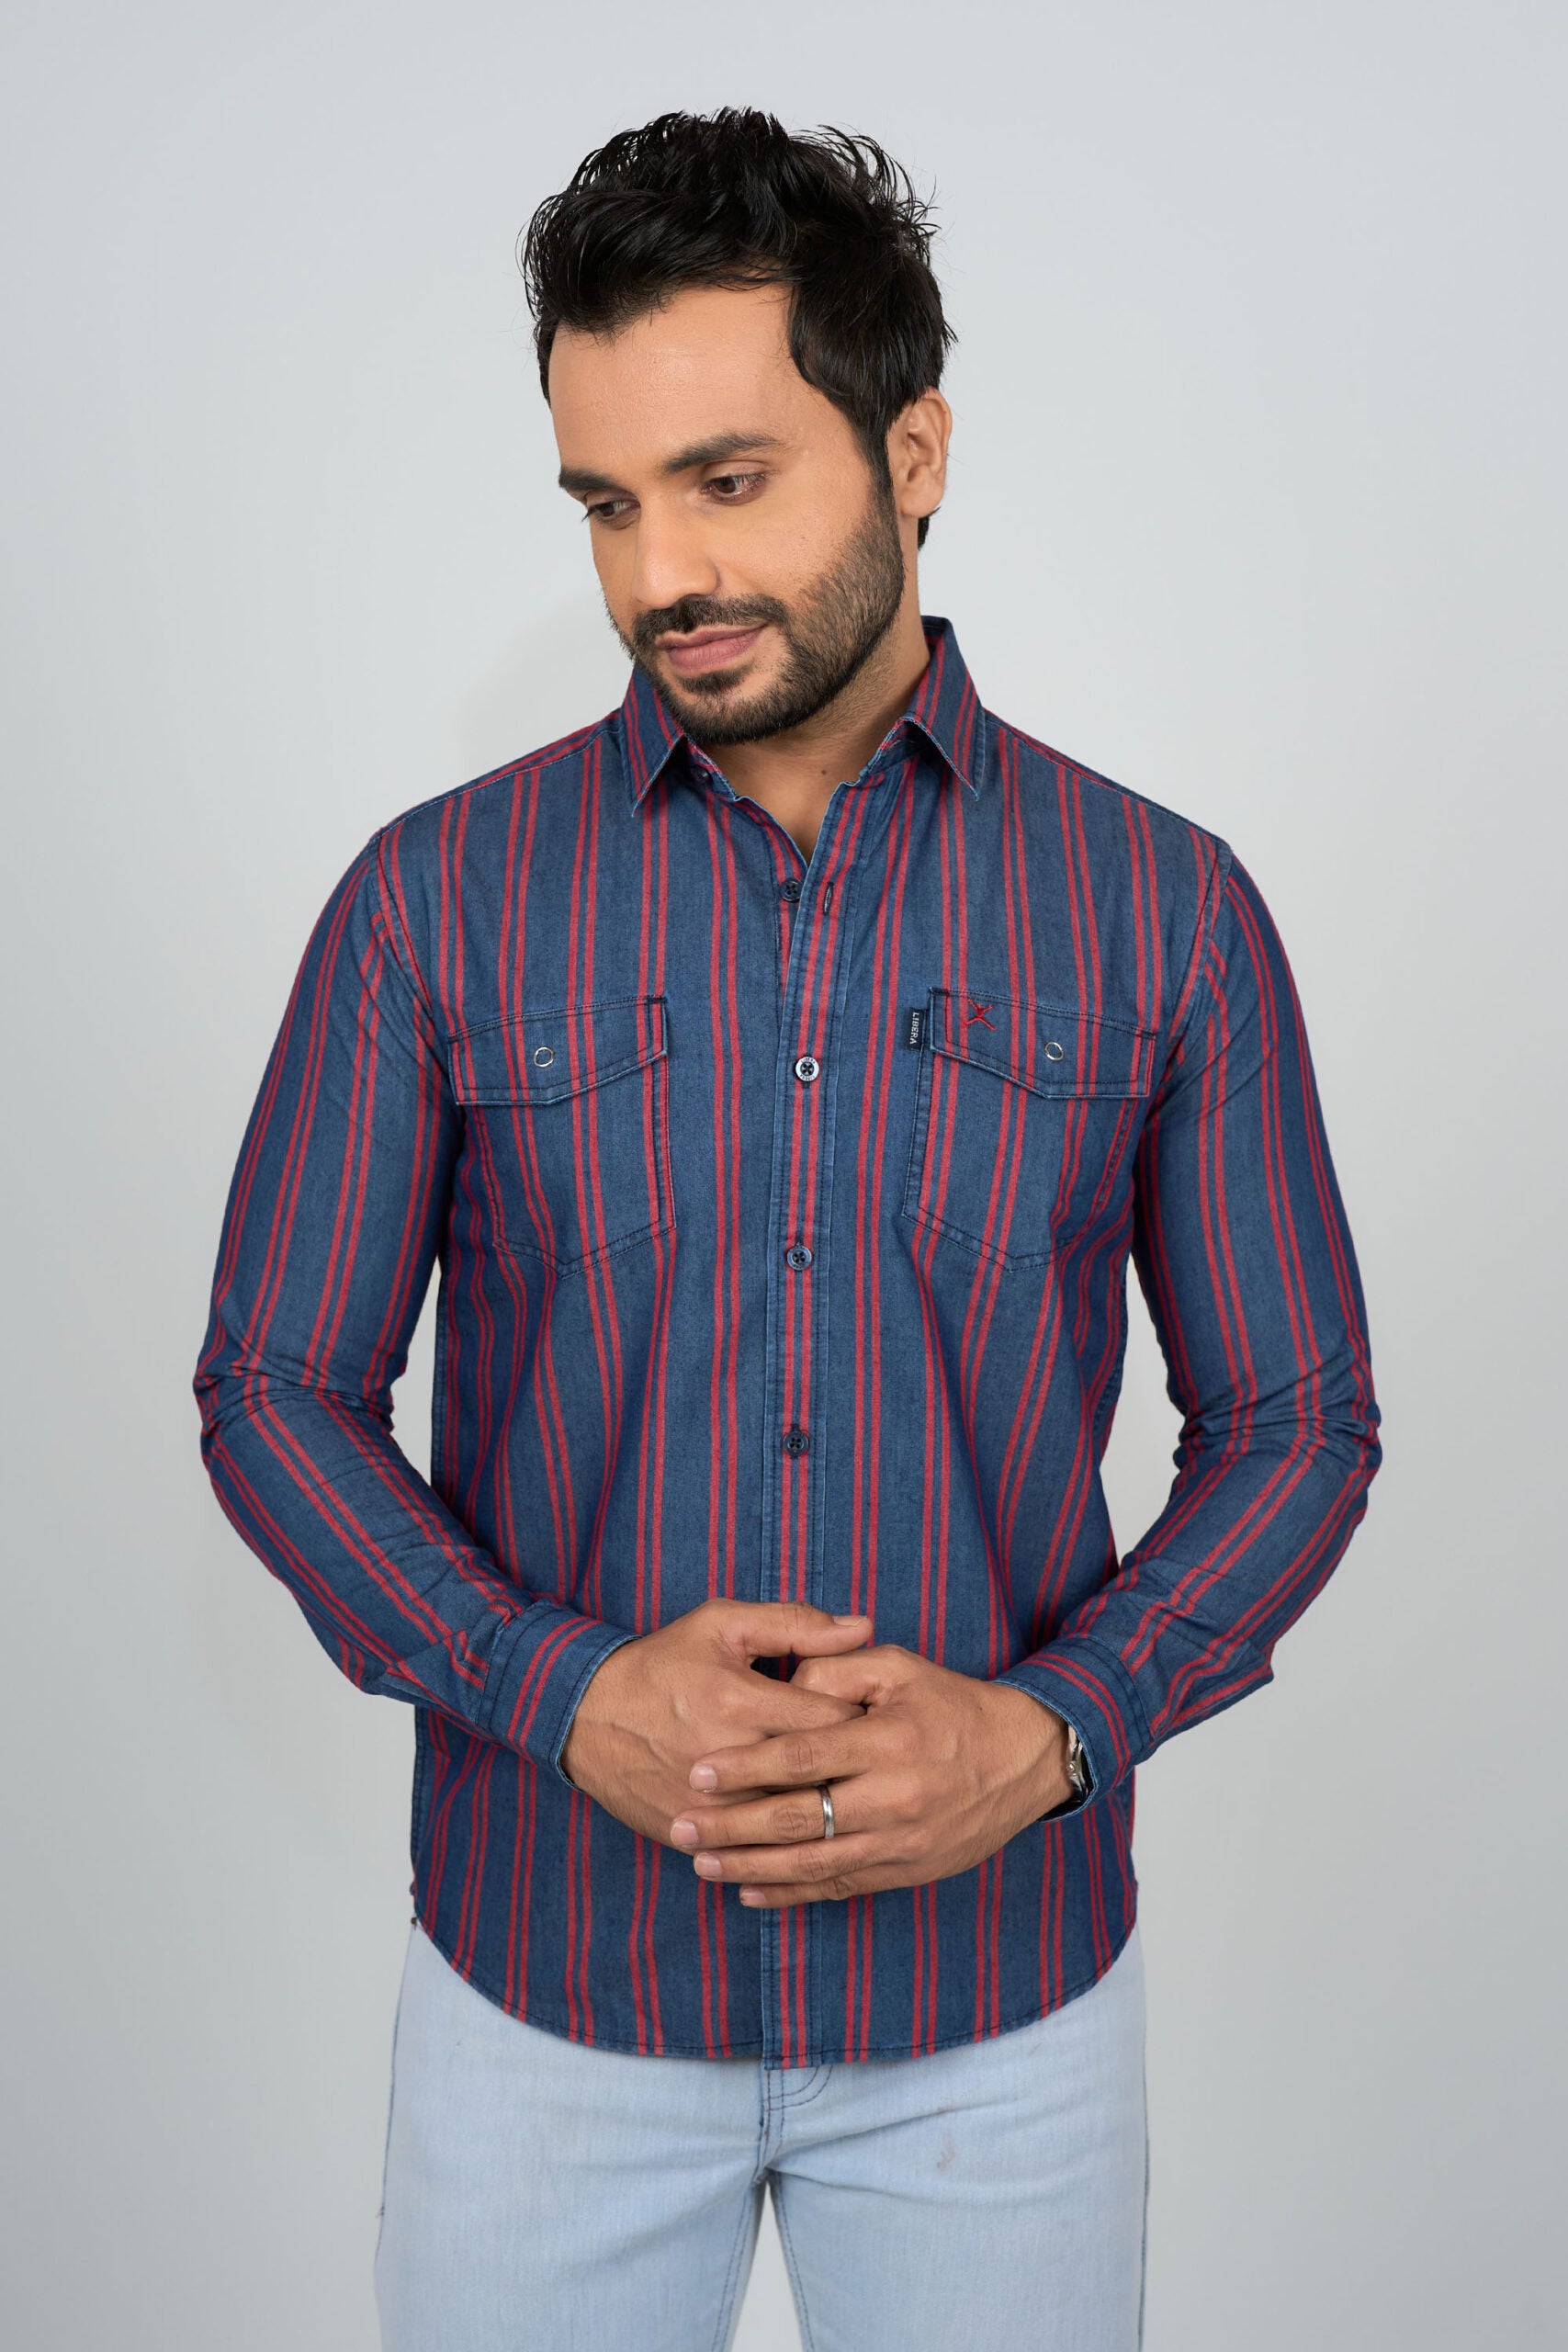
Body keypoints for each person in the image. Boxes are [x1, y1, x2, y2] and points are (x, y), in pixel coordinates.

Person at [193, 107, 1382, 2352]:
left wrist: (1048, 1734)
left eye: (725, 480)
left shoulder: (1163, 910)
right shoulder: (434, 900)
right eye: (605, 503)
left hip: (995, 2021)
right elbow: (274, 1387)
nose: (661, 572)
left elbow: (1296, 1420)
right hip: (547, 1996)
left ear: (909, 453)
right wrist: (554, 1691)